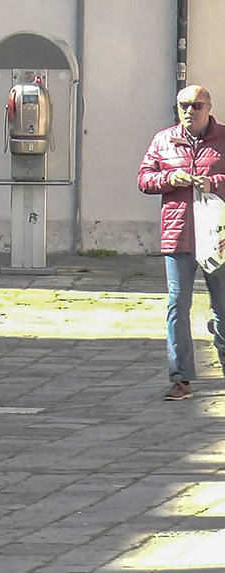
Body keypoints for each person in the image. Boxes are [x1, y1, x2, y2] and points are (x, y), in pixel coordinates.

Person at [139, 84, 225, 401]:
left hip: (217, 238)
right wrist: (167, 179)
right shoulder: (163, 140)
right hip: (178, 237)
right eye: (184, 105)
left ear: (209, 107)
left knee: (223, 309)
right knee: (178, 306)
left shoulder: (223, 138)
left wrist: (213, 182)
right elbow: (144, 178)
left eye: (197, 104)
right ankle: (181, 378)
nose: (190, 110)